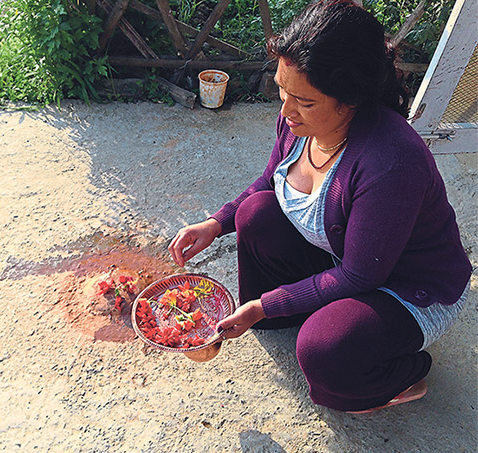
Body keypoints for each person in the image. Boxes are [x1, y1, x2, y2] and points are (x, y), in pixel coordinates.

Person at [168, 0, 471, 413]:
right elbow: (271, 181)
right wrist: (215, 223)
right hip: (346, 250)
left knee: (322, 352)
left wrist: (266, 304)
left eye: (304, 102)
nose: (286, 110)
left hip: (408, 287)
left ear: (350, 99)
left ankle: (405, 371)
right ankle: (299, 315)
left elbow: (361, 274)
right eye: (281, 90)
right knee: (254, 213)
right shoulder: (299, 122)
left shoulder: (390, 162)